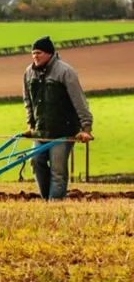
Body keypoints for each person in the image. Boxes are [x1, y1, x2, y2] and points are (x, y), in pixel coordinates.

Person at [23, 36, 93, 200]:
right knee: (36, 162)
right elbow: (28, 102)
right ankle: (48, 200)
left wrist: (86, 128)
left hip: (63, 131)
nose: (35, 56)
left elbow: (79, 101)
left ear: (49, 53)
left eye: (38, 53)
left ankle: (55, 204)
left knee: (58, 171)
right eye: (33, 53)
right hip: (41, 131)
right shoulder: (28, 73)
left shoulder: (65, 72)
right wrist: (31, 125)